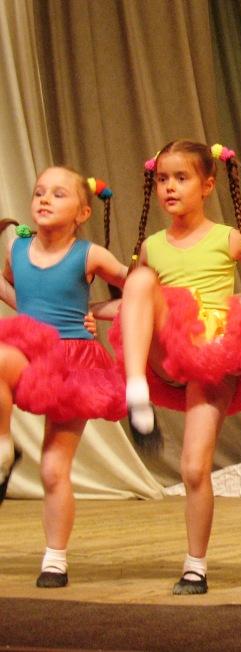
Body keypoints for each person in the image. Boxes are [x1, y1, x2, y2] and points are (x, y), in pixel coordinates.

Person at [113, 141, 241, 595]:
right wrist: (92, 313)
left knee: (192, 467)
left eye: (181, 178)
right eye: (162, 179)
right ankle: (136, 393)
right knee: (140, 280)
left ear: (207, 185)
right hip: (167, 352)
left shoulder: (227, 238)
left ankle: (195, 566)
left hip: (212, 358)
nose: (169, 187)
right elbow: (135, 304)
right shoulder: (151, 246)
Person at [0, 167, 127, 588]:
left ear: (82, 212)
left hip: (73, 362)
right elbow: (22, 294)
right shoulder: (17, 249)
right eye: (39, 192)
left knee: (54, 469)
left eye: (58, 194)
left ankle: (55, 558)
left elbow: (138, 290)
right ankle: (3, 447)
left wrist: (96, 312)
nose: (44, 199)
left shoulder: (89, 255)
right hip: (28, 353)